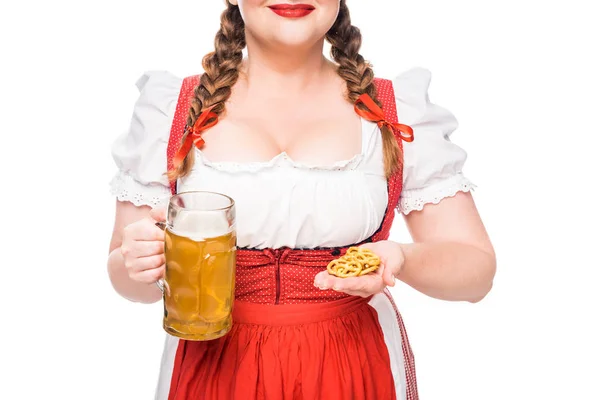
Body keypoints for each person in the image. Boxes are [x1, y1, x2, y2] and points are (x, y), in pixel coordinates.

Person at [107, 1, 496, 399]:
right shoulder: (171, 109)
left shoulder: (395, 112)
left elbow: (477, 273)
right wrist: (138, 261)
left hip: (354, 369)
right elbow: (129, 282)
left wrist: (402, 257)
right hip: (212, 368)